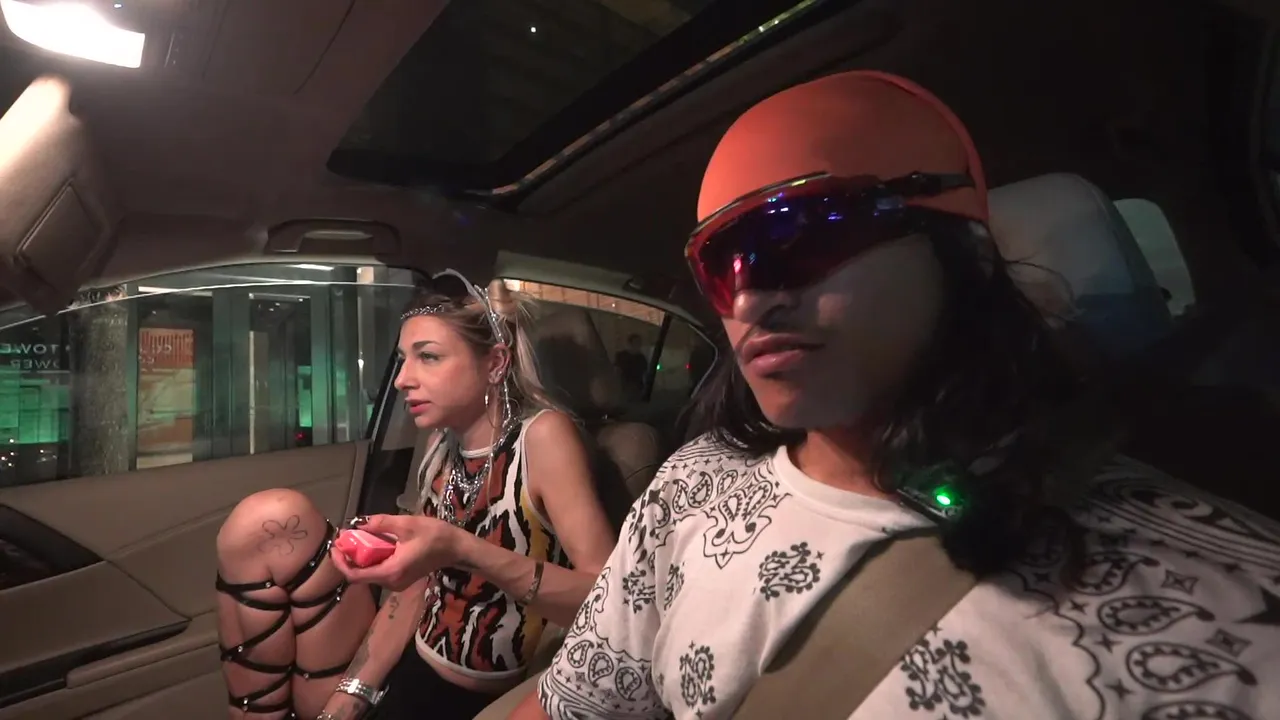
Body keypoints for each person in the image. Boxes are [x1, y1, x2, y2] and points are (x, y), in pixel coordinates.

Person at [512, 71, 1280, 719]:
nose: (750, 297)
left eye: (804, 231)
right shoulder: (691, 484)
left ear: (960, 245)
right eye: (721, 263)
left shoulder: (1218, 607)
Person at [214, 271, 616, 720]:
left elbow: (607, 597)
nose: (402, 379)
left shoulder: (542, 438)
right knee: (262, 525)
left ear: (495, 363)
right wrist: (354, 693)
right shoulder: (442, 444)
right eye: (403, 359)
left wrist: (462, 549)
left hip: (491, 696)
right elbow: (415, 590)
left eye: (428, 357)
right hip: (412, 663)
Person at [614, 333, 648, 400]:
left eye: (639, 343)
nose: (638, 345)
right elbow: (617, 371)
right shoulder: (621, 356)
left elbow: (645, 373)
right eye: (636, 343)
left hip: (637, 388)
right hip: (624, 387)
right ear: (630, 344)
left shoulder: (641, 358)